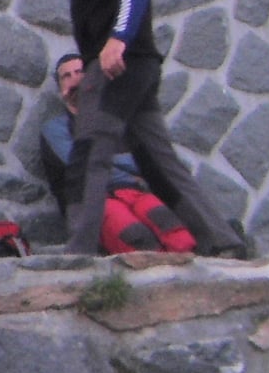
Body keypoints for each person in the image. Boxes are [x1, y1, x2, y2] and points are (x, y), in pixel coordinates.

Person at [56, 0, 250, 258]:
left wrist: (116, 40)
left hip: (117, 64)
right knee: (157, 159)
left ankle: (77, 255)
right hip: (140, 66)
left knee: (89, 152)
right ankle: (223, 241)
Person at [41, 52, 194, 253]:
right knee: (139, 241)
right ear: (61, 88)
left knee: (179, 237)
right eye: (66, 76)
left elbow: (149, 161)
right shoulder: (56, 128)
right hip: (93, 199)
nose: (75, 79)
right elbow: (82, 164)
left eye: (80, 72)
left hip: (135, 190)